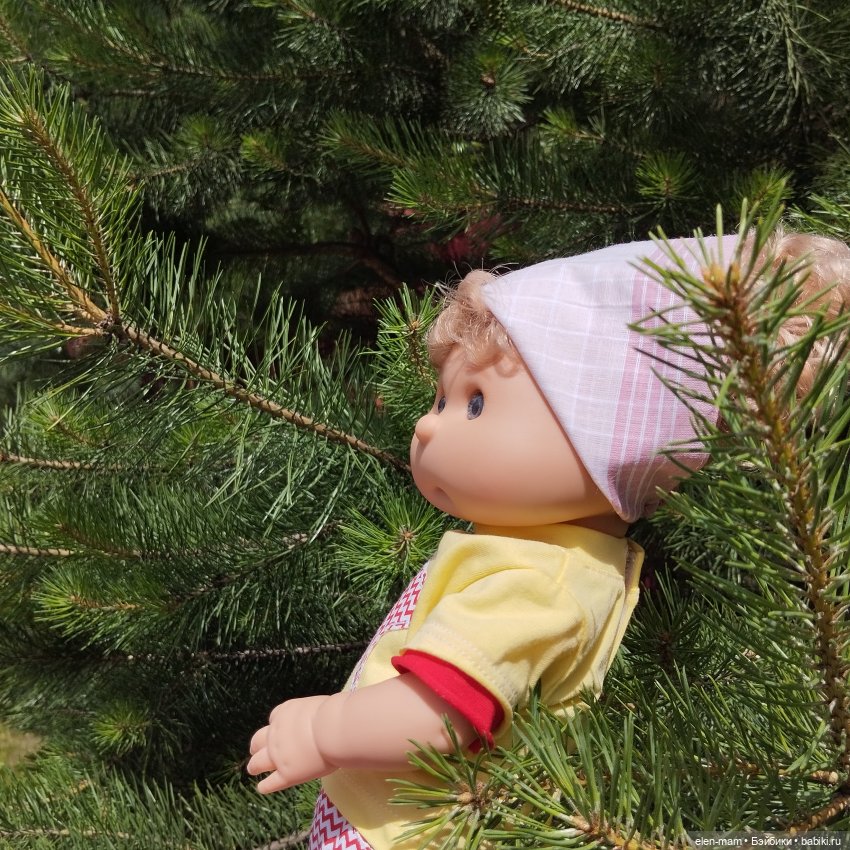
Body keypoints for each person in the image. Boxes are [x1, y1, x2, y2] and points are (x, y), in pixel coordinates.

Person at [247, 228, 847, 850]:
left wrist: (323, 730)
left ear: (602, 445)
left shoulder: (536, 581)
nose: (426, 426)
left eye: (474, 404)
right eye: (440, 399)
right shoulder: (552, 557)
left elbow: (442, 716)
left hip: (402, 834)